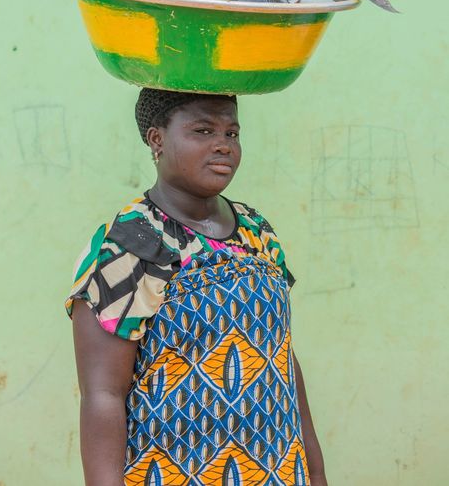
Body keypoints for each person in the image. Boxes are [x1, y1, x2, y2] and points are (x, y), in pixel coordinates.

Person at [66, 89, 327, 486]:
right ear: (157, 139)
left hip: (276, 471)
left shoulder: (257, 232)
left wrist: (315, 471)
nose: (223, 146)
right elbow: (103, 395)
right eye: (203, 131)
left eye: (232, 134)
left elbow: (282, 360)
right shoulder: (126, 246)